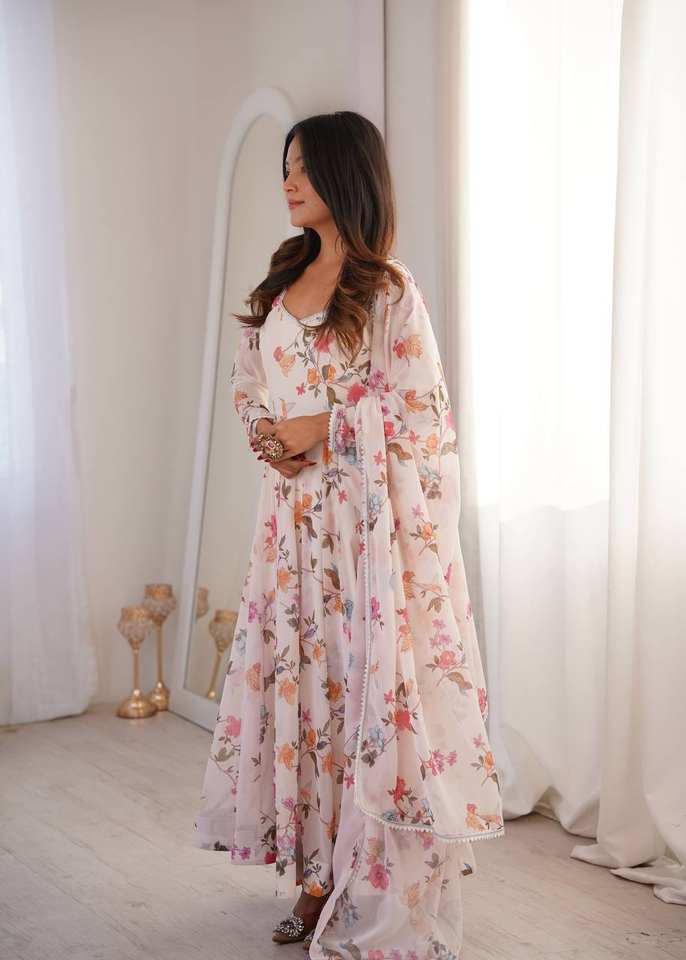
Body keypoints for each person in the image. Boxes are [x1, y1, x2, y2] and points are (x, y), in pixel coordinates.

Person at [192, 111, 505, 959]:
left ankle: (373, 877)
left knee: (361, 695)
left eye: (302, 167)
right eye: (285, 167)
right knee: (308, 692)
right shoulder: (282, 281)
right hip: (292, 530)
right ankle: (313, 875)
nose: (288, 181)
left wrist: (325, 427)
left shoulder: (387, 290)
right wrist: (266, 432)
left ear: (345, 173)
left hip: (365, 534)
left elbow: (425, 417)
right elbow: (249, 383)